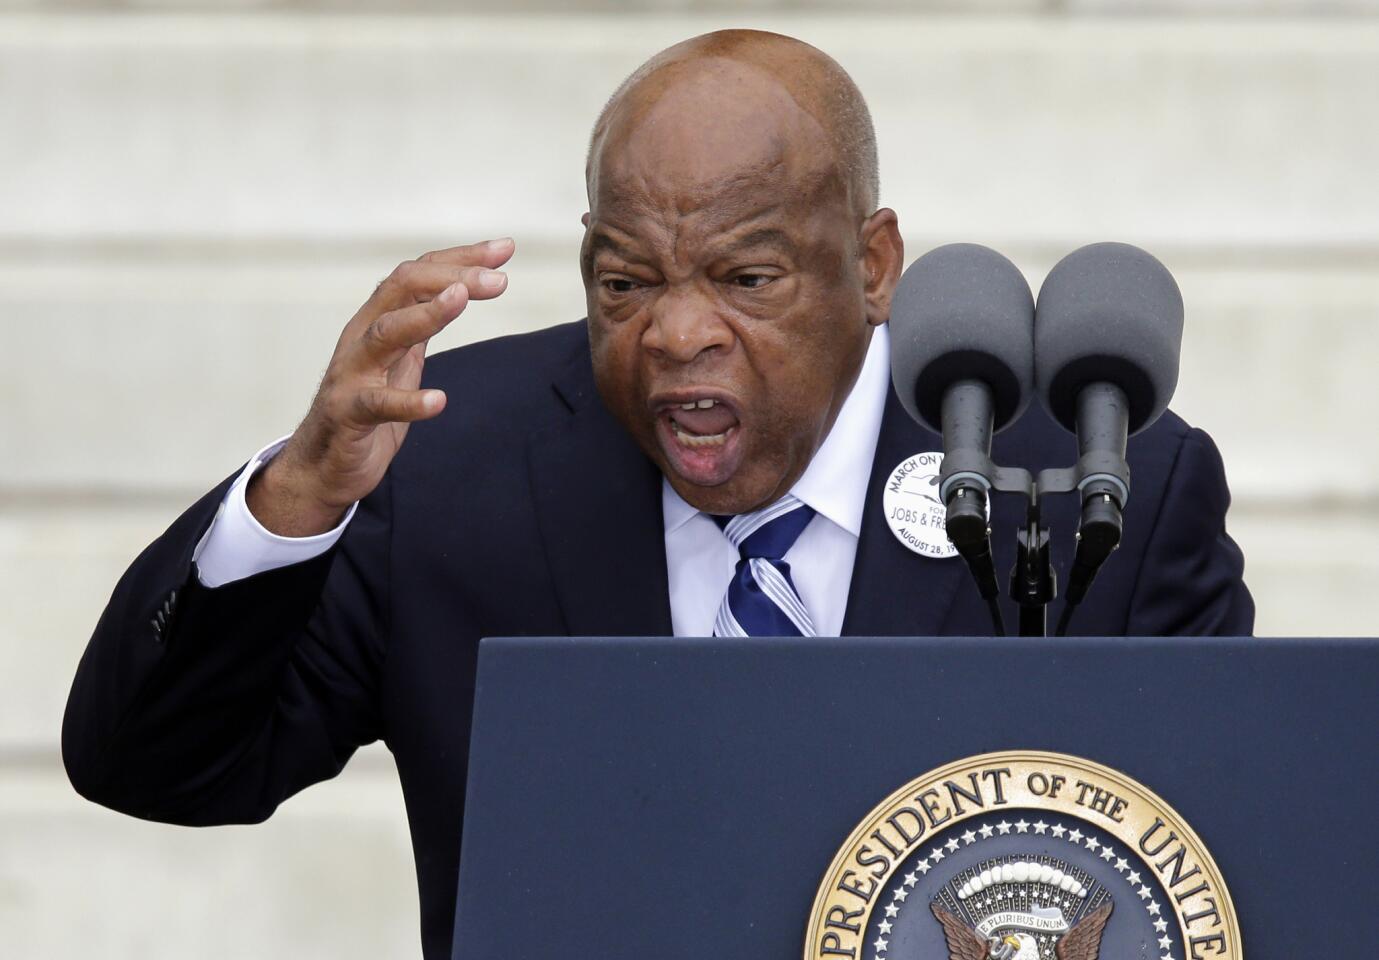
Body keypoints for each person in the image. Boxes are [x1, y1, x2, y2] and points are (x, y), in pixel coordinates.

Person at [62, 29, 1253, 958]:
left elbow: (1225, 877)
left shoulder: (1097, 494)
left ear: (873, 264)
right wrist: (295, 500)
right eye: (624, 280)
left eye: (745, 276)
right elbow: (159, 768)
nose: (677, 334)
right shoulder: (444, 462)